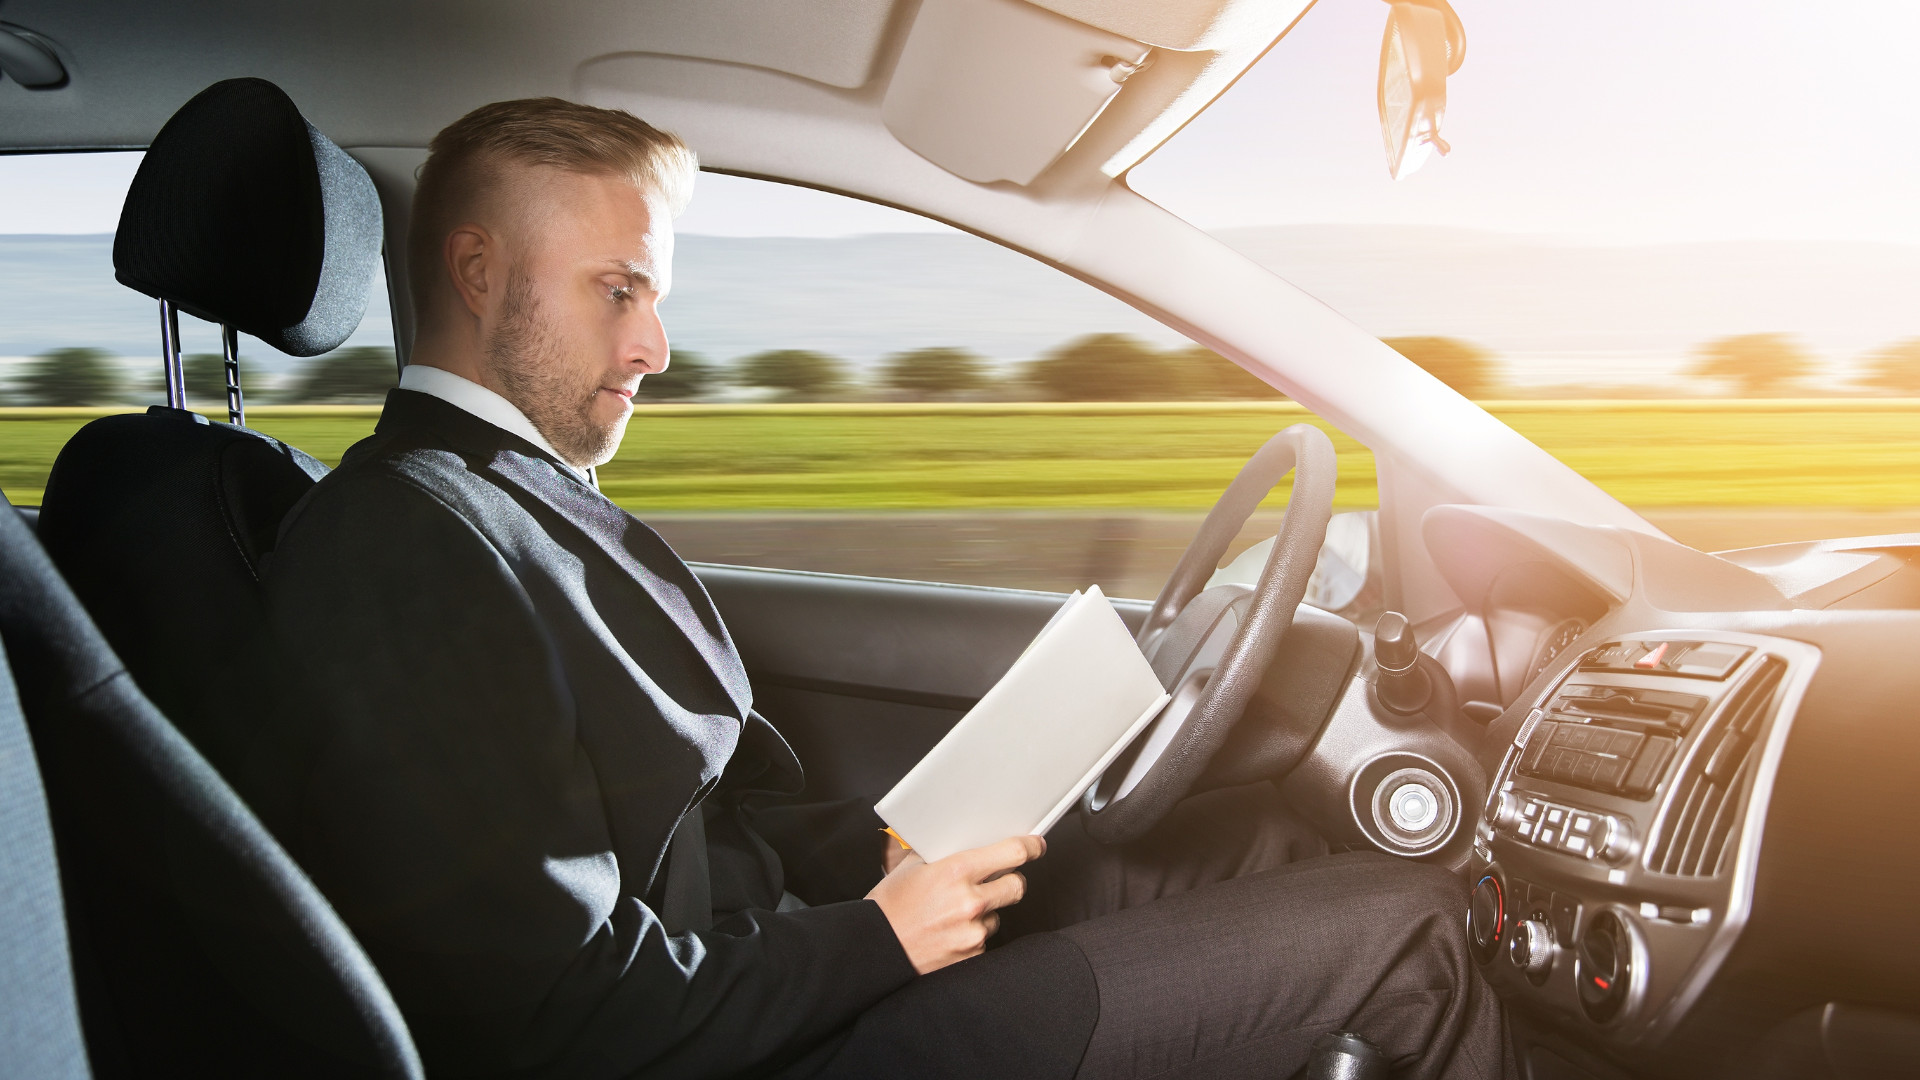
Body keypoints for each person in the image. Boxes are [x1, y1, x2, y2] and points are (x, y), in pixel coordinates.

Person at [259, 98, 1509, 1080]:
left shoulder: (505, 496)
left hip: (781, 971)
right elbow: (551, 1011)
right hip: (774, 1047)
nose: (655, 347)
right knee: (1411, 937)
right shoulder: (402, 544)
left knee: (1259, 845)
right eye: (618, 290)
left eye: (655, 298)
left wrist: (882, 853)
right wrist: (880, 935)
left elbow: (696, 834)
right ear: (479, 274)